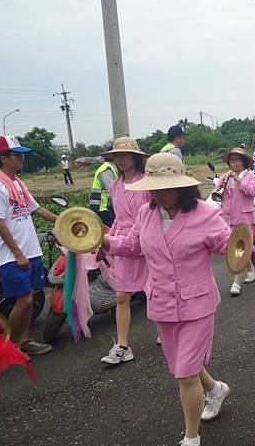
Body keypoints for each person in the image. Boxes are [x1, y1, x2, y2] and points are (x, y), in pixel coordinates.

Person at [102, 153, 231, 446]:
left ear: (183, 186)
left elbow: (227, 245)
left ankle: (191, 437)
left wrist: (242, 246)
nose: (158, 194)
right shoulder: (146, 213)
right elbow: (132, 245)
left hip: (197, 304)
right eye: (153, 188)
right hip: (161, 302)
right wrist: (103, 239)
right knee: (185, 363)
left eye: (166, 187)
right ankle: (215, 389)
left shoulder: (204, 214)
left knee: (184, 373)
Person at [0, 135, 58, 355]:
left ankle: (25, 340)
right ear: (5, 158)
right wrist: (17, 253)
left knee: (31, 297)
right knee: (23, 301)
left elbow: (36, 210)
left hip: (31, 251)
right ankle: (10, 347)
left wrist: (64, 220)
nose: (22, 159)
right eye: (18, 155)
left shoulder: (17, 183)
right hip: (14, 256)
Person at [99, 137, 151, 365]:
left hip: (149, 243)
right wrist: (108, 242)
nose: (120, 159)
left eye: (124, 155)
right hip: (124, 244)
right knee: (122, 297)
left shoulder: (147, 182)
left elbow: (156, 214)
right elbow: (119, 219)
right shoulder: (114, 185)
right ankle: (122, 346)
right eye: (117, 156)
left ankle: (169, 330)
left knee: (157, 292)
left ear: (136, 158)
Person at [215, 147, 255, 296]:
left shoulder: (251, 176)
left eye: (237, 160)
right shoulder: (225, 176)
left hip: (244, 217)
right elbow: (216, 193)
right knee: (240, 248)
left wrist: (239, 180)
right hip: (228, 217)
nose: (234, 163)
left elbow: (252, 192)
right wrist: (220, 185)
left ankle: (236, 282)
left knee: (239, 249)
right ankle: (252, 269)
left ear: (244, 162)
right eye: (232, 160)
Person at [89, 154, 118, 227]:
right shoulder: (106, 170)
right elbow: (112, 192)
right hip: (103, 209)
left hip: (106, 209)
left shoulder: (111, 168)